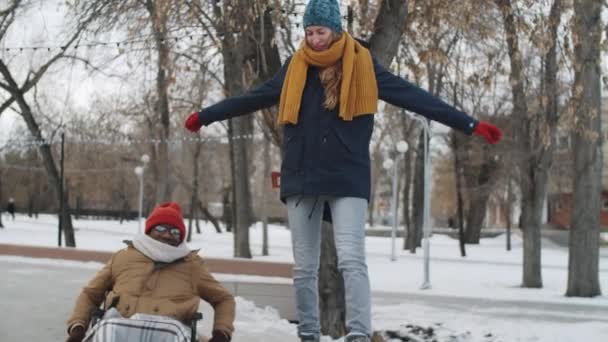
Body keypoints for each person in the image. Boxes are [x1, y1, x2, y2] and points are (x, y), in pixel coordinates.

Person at [184, 1, 502, 341]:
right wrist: (206, 115)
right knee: (305, 267)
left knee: (351, 260)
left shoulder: (363, 65)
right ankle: (308, 333)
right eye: (309, 32)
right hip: (302, 175)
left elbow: (414, 97)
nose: (314, 39)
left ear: (335, 30)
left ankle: (359, 334)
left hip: (346, 175)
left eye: (320, 31)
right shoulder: (295, 67)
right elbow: (253, 98)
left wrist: (468, 124)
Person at [65, 202, 235, 342]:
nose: (167, 235)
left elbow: (224, 299)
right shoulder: (123, 258)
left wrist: (221, 334)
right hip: (118, 330)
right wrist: (78, 327)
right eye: (161, 229)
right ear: (149, 230)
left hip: (170, 333)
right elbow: (90, 294)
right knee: (106, 328)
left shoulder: (192, 266)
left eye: (174, 231)